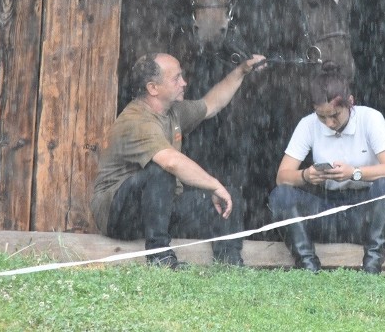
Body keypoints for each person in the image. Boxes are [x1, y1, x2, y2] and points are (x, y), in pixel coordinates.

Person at [92, 51, 265, 269]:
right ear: (153, 88)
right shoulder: (136, 120)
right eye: (176, 78)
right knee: (162, 171)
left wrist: (241, 70)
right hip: (118, 216)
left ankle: (229, 264)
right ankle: (160, 257)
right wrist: (213, 184)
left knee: (229, 197)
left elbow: (212, 104)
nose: (184, 82)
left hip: (158, 209)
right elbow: (171, 162)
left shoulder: (173, 111)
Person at [268, 64, 385, 274]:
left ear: (350, 102)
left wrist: (354, 172)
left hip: (364, 209)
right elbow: (281, 177)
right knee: (280, 195)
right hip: (326, 210)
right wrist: (306, 175)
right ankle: (308, 266)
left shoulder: (371, 118)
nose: (329, 123)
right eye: (322, 116)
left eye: (335, 115)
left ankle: (372, 266)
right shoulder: (308, 124)